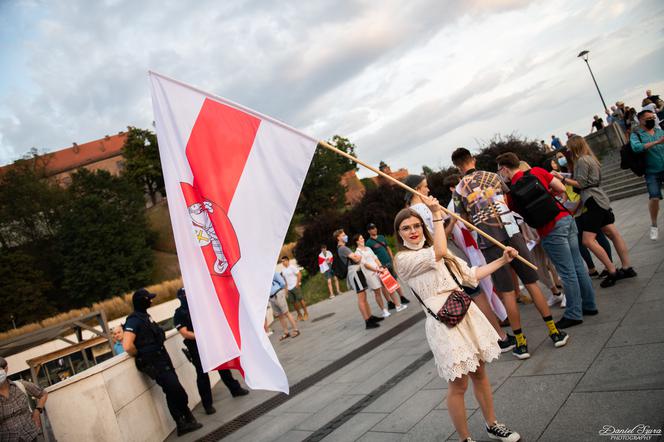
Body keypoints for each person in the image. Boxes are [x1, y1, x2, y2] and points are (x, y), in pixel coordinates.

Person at [393, 206, 520, 442]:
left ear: (423, 227)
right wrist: (437, 215)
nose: (412, 231)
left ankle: (493, 424)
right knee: (459, 384)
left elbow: (470, 275)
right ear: (399, 233)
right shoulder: (404, 259)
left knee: (480, 373)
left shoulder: (437, 250)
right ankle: (465, 439)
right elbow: (439, 251)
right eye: (406, 228)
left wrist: (502, 260)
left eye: (417, 225)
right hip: (444, 324)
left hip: (466, 314)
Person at [451, 147, 566, 358]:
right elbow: (505, 199)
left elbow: (464, 221)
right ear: (473, 160)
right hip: (511, 232)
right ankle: (554, 331)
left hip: (489, 241)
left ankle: (521, 343)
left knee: (507, 292)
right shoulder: (493, 176)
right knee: (531, 283)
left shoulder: (459, 190)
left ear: (457, 167)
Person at [497, 151, 597, 329]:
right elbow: (561, 188)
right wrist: (545, 195)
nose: (500, 174)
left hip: (549, 229)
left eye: (500, 171)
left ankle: (574, 313)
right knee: (578, 264)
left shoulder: (511, 192)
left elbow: (518, 213)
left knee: (566, 271)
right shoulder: (536, 171)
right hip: (565, 217)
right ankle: (589, 304)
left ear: (505, 169)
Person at [442, 174, 514, 352]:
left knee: (486, 288)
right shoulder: (453, 205)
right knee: (482, 290)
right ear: (454, 188)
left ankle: (500, 321)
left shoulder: (453, 205)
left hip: (471, 251)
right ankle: (498, 327)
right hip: (467, 255)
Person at [556, 136, 637, 287]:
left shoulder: (581, 161)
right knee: (613, 233)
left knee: (587, 240)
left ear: (573, 147)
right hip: (600, 198)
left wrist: (562, 179)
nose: (567, 151)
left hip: (592, 200)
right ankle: (627, 267)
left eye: (568, 148)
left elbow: (580, 183)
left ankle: (612, 271)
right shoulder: (590, 158)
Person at [123, 288, 202, 436]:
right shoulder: (134, 319)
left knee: (173, 390)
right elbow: (127, 346)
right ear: (142, 301)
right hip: (154, 362)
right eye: (149, 298)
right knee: (174, 389)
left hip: (162, 359)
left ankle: (185, 421)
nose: (152, 301)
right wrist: (140, 354)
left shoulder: (145, 317)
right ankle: (182, 422)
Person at [173, 288, 249, 416]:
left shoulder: (200, 308)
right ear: (181, 297)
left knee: (223, 366)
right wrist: (202, 336)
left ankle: (235, 389)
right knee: (202, 376)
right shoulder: (179, 313)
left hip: (210, 343)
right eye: (185, 295)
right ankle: (207, 405)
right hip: (196, 347)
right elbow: (184, 333)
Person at [335, 228, 384, 329]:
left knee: (363, 296)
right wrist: (358, 257)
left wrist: (357, 257)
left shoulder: (342, 248)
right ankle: (367, 321)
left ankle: (370, 317)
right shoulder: (343, 248)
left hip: (356, 272)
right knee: (361, 298)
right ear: (338, 237)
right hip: (355, 273)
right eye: (343, 235)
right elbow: (356, 258)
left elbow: (356, 258)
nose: (345, 236)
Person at [631, 110, 664, 241]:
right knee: (654, 197)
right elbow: (636, 148)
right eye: (648, 118)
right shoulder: (637, 134)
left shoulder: (660, 131)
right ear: (641, 121)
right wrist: (657, 142)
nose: (651, 119)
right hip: (652, 171)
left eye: (653, 117)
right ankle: (654, 224)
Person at [0, 356, 48, 442]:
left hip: (32, 436)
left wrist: (37, 411)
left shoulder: (20, 385)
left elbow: (43, 394)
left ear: (5, 369)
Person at [354, 233, 402, 318]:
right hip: (370, 274)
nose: (363, 240)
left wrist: (381, 267)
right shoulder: (357, 252)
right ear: (357, 241)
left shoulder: (368, 248)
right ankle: (384, 310)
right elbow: (365, 265)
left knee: (388, 287)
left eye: (362, 238)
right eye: (361, 239)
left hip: (379, 270)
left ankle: (398, 305)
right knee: (377, 292)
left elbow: (375, 258)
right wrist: (376, 269)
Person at [365, 223, 411, 308]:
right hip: (381, 266)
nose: (374, 229)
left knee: (394, 280)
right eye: (371, 228)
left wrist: (392, 257)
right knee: (385, 284)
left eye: (374, 227)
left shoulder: (381, 237)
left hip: (389, 262)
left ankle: (402, 297)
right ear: (368, 231)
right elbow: (371, 256)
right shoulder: (368, 243)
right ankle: (390, 302)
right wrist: (377, 266)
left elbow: (387, 247)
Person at [269, 273, 301, 340]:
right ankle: (286, 332)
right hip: (271, 297)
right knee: (280, 316)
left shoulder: (273, 273)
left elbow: (282, 283)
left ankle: (296, 329)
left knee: (286, 312)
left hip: (278, 293)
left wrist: (280, 291)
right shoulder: (263, 276)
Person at [280, 256, 309, 321]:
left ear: (288, 260)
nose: (283, 262)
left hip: (295, 287)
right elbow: (285, 281)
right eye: (282, 262)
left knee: (301, 300)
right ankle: (299, 315)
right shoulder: (283, 270)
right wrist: (286, 290)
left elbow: (299, 275)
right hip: (289, 289)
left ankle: (306, 313)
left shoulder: (292, 267)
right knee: (294, 303)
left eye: (284, 261)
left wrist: (297, 284)